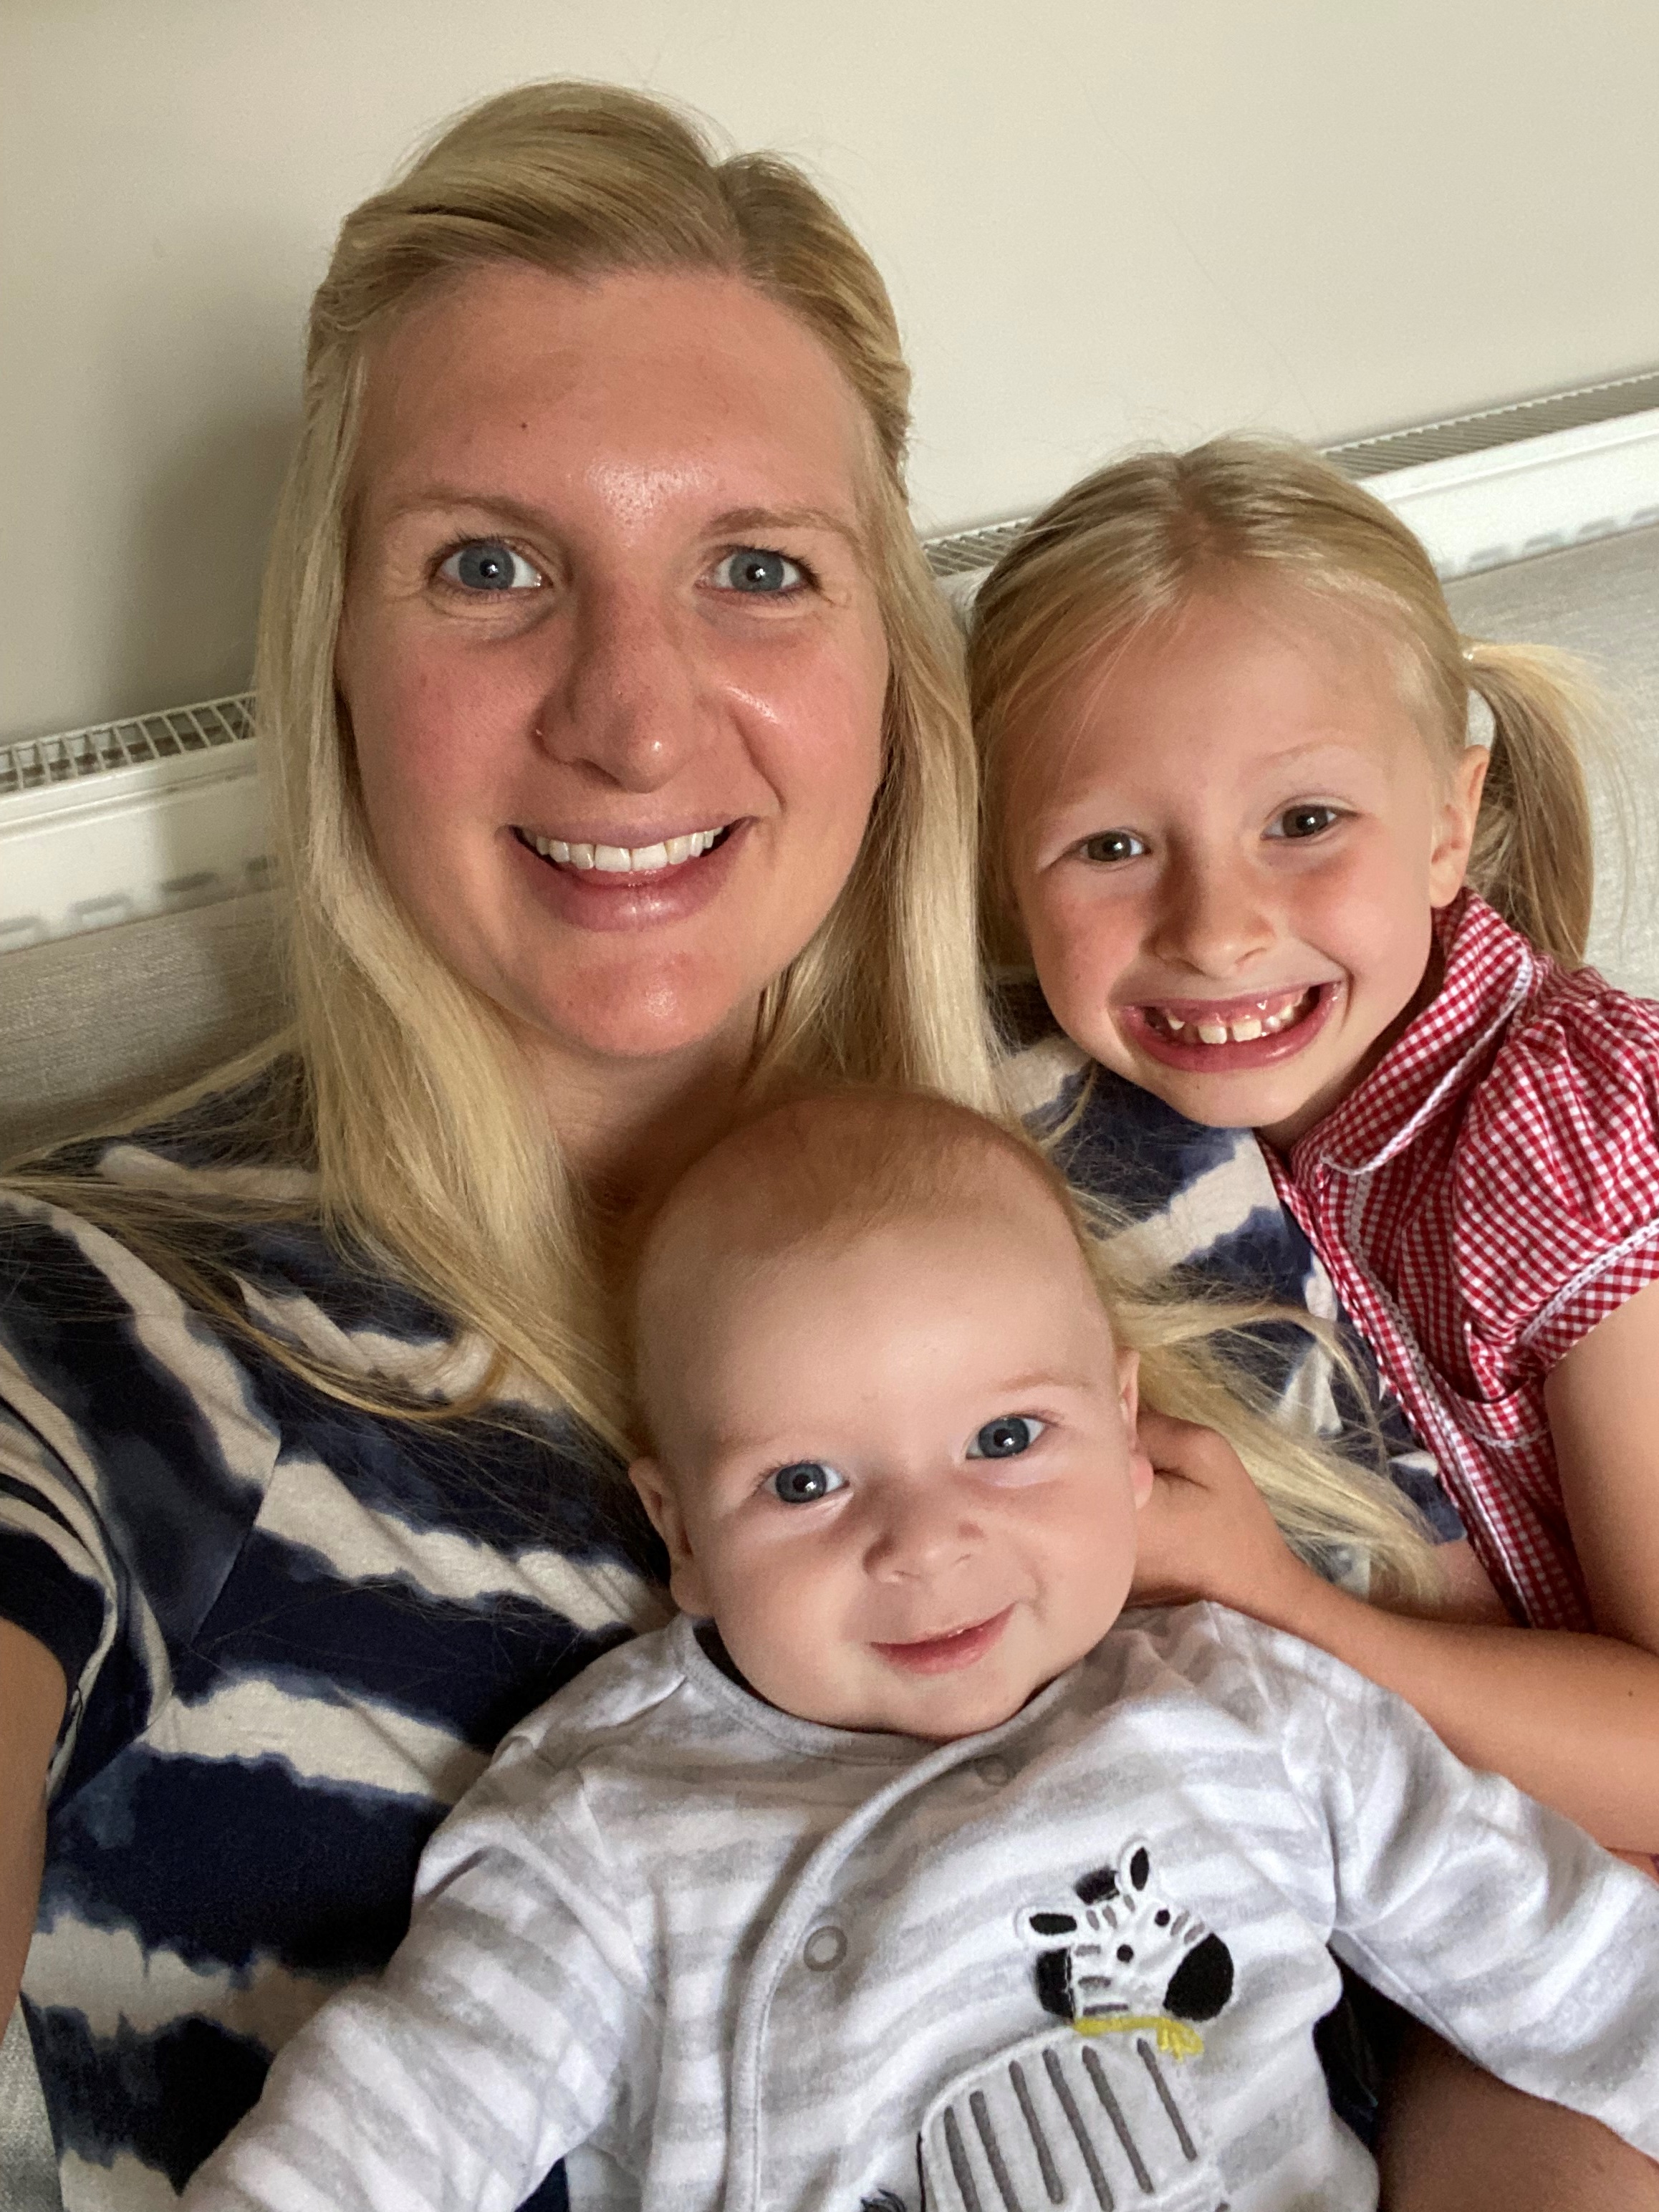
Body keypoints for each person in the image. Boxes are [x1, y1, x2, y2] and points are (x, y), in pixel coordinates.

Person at [0, 80, 1635, 2211]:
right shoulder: (97, 1335)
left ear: (887, 665)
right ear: (329, 652)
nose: (635, 715)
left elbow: (1506, 1949)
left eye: (755, 569)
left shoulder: (1140, 1129)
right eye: (486, 566)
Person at [179, 1091, 1659, 2212]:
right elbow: (407, 2108)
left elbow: (1562, 1945)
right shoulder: (612, 1820)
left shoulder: (1245, 1702)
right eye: (807, 1482)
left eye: (1007, 1439)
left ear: (1126, 1435)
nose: (923, 1542)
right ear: (678, 1527)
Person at [966, 435, 1659, 1872]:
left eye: (1304, 821)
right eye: (1108, 845)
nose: (1214, 926)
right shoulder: (1096, 1150)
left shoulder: (1559, 1129)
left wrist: (1282, 1600)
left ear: (1446, 825)